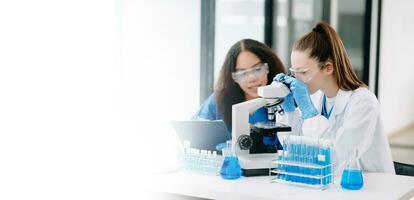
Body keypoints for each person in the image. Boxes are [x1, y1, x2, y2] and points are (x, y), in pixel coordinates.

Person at [274, 21, 395, 174]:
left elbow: (338, 159)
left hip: (369, 188)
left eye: (303, 72)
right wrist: (289, 112)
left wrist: (310, 114)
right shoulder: (318, 98)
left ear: (328, 68)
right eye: (294, 72)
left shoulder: (363, 102)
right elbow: (296, 149)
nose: (296, 79)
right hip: (330, 186)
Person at [194, 39, 286, 131]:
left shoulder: (286, 100)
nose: (251, 78)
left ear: (269, 67)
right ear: (233, 77)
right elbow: (194, 133)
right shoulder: (219, 101)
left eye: (257, 69)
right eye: (242, 73)